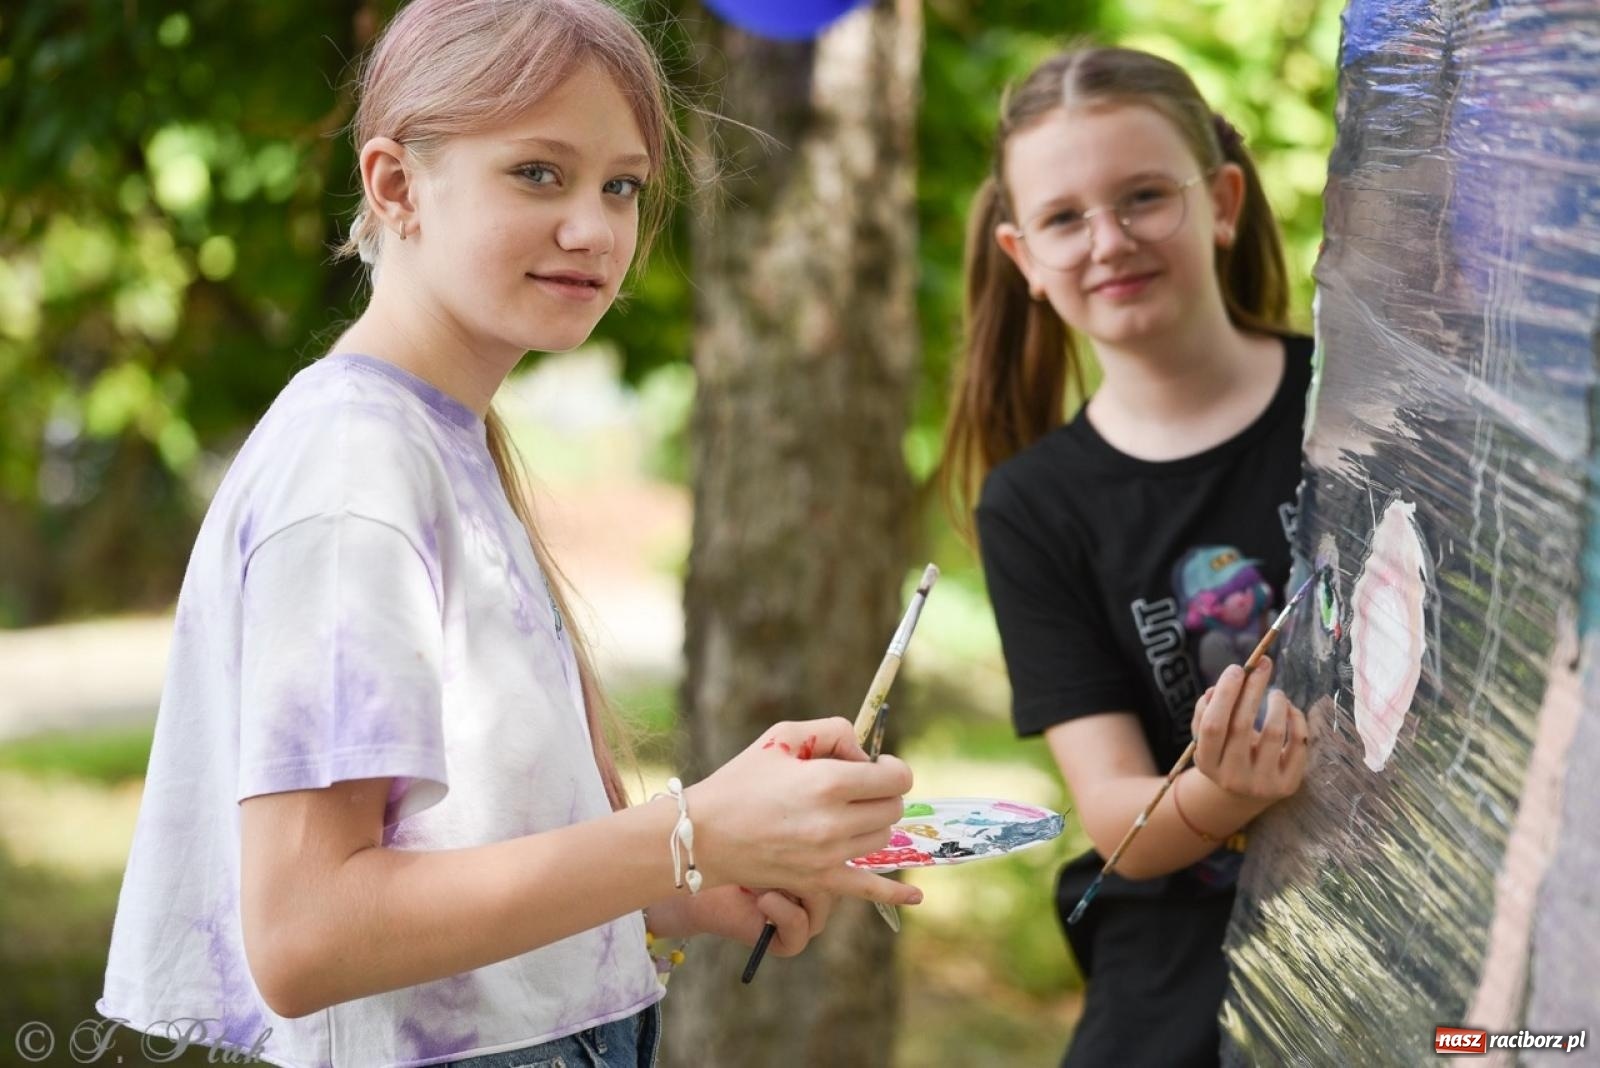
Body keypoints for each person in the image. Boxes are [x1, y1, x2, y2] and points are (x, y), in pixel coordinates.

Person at [96, 2, 920, 1065]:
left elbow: (463, 860)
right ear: (395, 186)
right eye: (538, 172)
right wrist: (687, 831)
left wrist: (688, 882)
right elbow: (309, 935)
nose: (595, 227)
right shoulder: (354, 467)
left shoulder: (442, 437)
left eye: (621, 185)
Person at [938, 46, 1312, 1067]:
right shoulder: (1033, 505)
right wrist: (1223, 797)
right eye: (1064, 218)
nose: (1109, 240)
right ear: (1024, 258)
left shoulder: (1356, 408)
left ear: (1223, 201)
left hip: (1419, 914)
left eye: (1145, 196)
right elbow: (1117, 815)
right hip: (1184, 962)